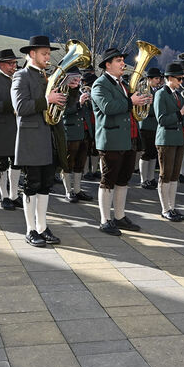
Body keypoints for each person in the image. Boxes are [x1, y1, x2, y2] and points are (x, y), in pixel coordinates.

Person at [12, 35, 70, 246]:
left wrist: (65, 95)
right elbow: (20, 107)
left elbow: (57, 106)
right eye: (44, 54)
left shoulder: (47, 77)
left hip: (49, 138)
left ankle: (42, 227)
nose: (48, 57)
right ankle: (30, 229)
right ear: (32, 54)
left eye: (48, 54)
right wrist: (47, 100)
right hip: (31, 139)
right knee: (32, 184)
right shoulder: (21, 76)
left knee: (46, 185)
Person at [91, 47, 151, 235]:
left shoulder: (123, 84)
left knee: (124, 179)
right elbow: (108, 107)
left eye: (123, 60)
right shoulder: (100, 85)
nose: (123, 63)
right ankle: (105, 220)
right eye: (118, 60)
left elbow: (130, 107)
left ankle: (119, 216)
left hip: (129, 137)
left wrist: (143, 101)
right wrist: (131, 102)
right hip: (111, 139)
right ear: (107, 65)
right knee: (108, 180)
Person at [153, 62, 184, 221]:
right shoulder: (161, 94)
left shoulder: (178, 94)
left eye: (182, 79)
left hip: (178, 139)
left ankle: (172, 207)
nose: (181, 82)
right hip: (166, 139)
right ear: (169, 78)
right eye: (178, 79)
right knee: (165, 174)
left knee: (175, 175)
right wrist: (181, 112)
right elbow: (161, 119)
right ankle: (165, 209)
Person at [0, 48, 23, 209]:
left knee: (16, 164)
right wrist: (13, 105)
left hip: (18, 128)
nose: (14, 66)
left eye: (15, 63)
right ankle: (4, 196)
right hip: (0, 128)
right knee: (1, 164)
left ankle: (14, 195)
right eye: (10, 63)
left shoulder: (19, 78)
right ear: (1, 65)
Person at [62, 70, 93, 203]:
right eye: (74, 79)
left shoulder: (81, 91)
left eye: (78, 79)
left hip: (84, 132)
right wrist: (79, 103)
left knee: (80, 163)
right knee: (68, 163)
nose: (77, 82)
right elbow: (64, 111)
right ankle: (68, 191)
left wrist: (90, 101)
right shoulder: (62, 92)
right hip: (71, 132)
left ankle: (77, 190)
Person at [137, 67, 163, 190]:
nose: (158, 81)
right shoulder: (143, 90)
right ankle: (143, 179)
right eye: (156, 78)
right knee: (145, 153)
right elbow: (141, 108)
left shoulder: (157, 90)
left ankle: (151, 178)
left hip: (155, 125)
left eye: (159, 78)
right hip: (145, 124)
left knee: (153, 153)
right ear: (149, 79)